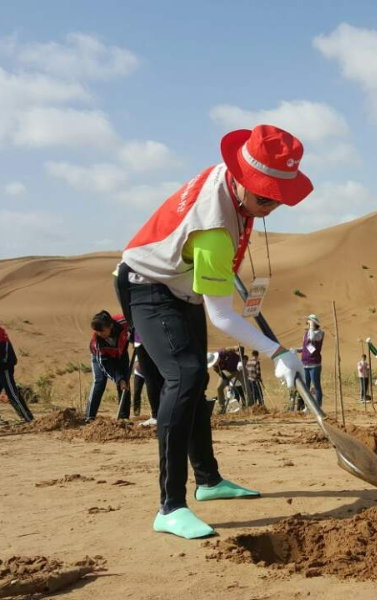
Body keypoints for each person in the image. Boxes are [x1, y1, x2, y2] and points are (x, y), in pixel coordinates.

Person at [117, 124, 311, 539]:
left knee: (192, 379)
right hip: (148, 285)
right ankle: (169, 506)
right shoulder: (216, 230)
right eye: (264, 197)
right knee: (183, 375)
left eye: (279, 200)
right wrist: (278, 352)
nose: (271, 207)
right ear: (241, 178)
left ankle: (208, 481)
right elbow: (222, 315)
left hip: (180, 285)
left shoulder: (229, 181)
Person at [87, 310, 131, 422]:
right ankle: (90, 416)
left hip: (121, 353)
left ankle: (123, 418)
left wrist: (137, 341)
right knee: (100, 381)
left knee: (126, 382)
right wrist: (118, 378)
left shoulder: (124, 320)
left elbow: (138, 325)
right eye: (97, 331)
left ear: (110, 325)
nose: (100, 334)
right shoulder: (97, 341)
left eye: (102, 331)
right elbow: (105, 365)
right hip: (102, 358)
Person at [132, 330, 162, 426]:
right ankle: (163, 413)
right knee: (162, 377)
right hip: (163, 336)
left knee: (152, 379)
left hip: (144, 336)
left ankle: (156, 416)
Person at [298, 314, 324, 409]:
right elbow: (306, 347)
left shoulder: (319, 333)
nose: (307, 324)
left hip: (314, 364)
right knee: (306, 386)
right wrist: (296, 350)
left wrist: (312, 325)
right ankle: (307, 406)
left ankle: (318, 406)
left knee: (316, 385)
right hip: (305, 363)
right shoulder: (307, 333)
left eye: (309, 322)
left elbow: (313, 338)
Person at [210, 347, 244, 413]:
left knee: (244, 385)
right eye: (213, 364)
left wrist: (240, 359)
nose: (214, 364)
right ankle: (222, 408)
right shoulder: (215, 367)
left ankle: (249, 405)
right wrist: (228, 389)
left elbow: (236, 348)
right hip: (229, 371)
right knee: (219, 388)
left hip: (239, 366)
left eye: (214, 362)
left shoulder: (222, 352)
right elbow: (224, 377)